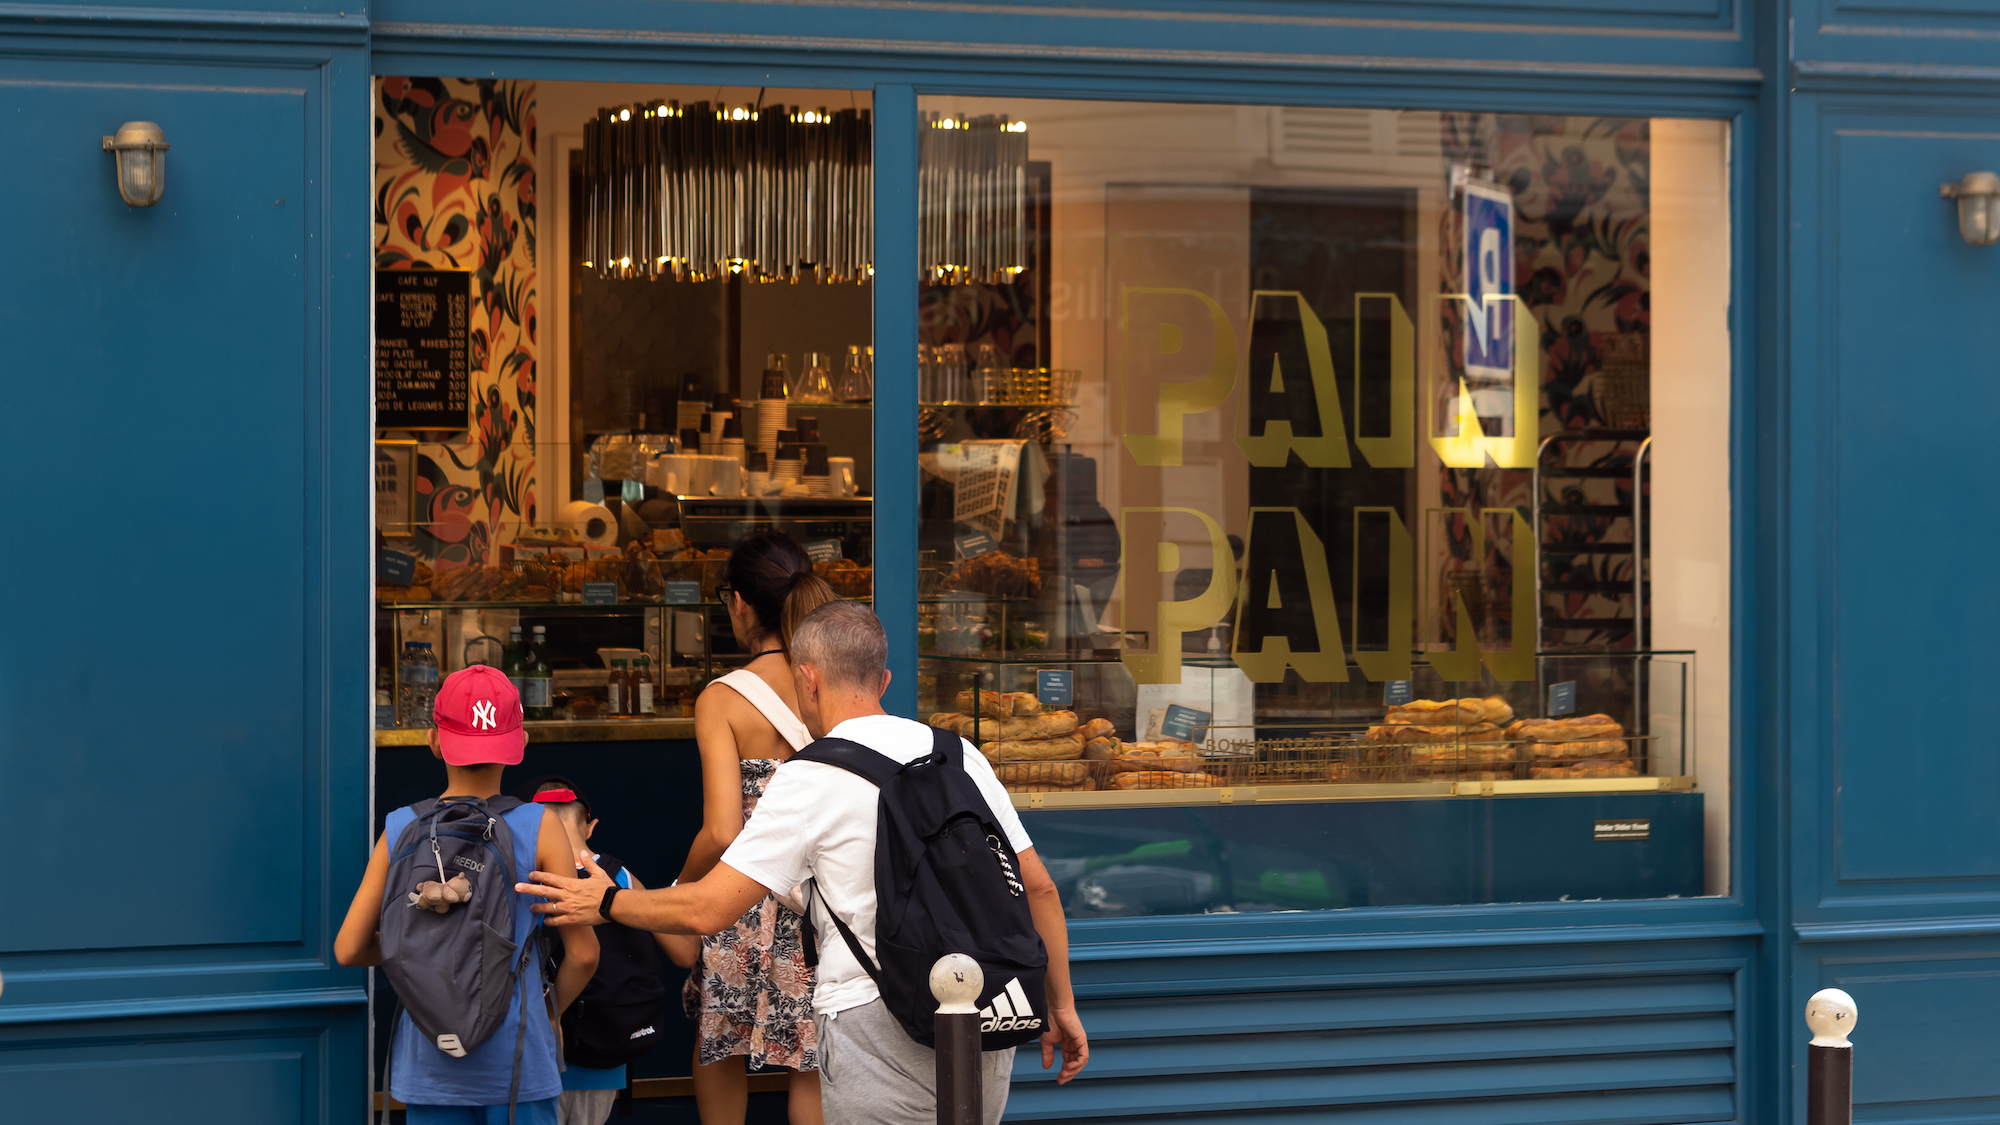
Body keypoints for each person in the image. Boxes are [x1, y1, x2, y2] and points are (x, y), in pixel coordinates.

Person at [519, 601, 1089, 1125]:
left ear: (808, 680)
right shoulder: (960, 755)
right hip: (985, 1007)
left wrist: (610, 901)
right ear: (883, 680)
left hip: (876, 1016)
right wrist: (1060, 1004)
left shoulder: (811, 777)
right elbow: (1038, 890)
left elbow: (710, 908)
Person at [336, 666, 599, 1125]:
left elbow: (349, 948)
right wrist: (550, 1011)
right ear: (520, 743)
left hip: (431, 1062)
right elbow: (584, 955)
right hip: (519, 1058)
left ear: (435, 741)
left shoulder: (400, 828)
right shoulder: (540, 828)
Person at [677, 531, 838, 1125]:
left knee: (719, 1043)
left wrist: (681, 888)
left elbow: (721, 832)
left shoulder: (723, 699)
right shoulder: (830, 684)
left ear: (740, 603)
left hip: (742, 892)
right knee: (810, 1057)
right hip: (819, 896)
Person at [513, 776, 674, 1125]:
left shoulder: (525, 881)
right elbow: (685, 952)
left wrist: (549, 1015)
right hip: (609, 1050)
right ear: (590, 826)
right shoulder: (621, 877)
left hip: (539, 1054)